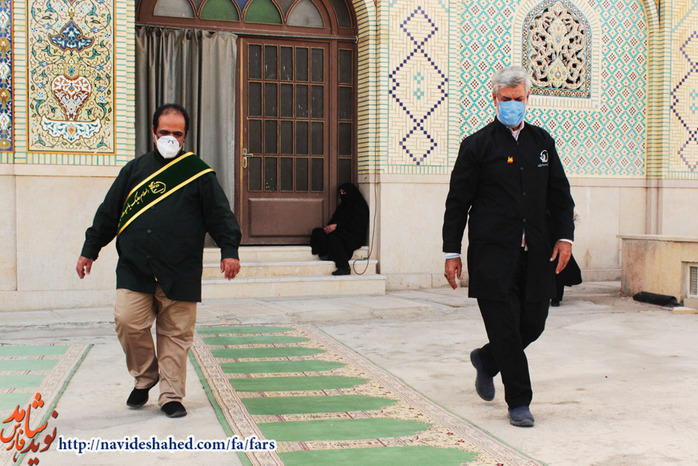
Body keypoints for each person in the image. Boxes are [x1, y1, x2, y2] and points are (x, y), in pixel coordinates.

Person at [76, 104, 241, 418]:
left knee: (176, 335)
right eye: (164, 132)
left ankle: (171, 396)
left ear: (185, 136)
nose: (170, 138)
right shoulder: (133, 170)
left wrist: (229, 250)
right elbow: (109, 213)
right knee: (127, 322)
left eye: (177, 134)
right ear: (153, 133)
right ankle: (146, 376)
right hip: (135, 267)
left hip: (180, 269)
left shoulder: (198, 173)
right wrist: (90, 250)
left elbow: (220, 214)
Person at [442, 66, 575, 427]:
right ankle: (519, 402)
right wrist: (451, 252)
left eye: (518, 99)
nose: (512, 105)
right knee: (504, 329)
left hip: (536, 253)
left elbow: (560, 195)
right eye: (506, 99)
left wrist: (565, 237)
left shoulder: (542, 142)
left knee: (533, 324)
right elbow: (458, 202)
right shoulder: (477, 145)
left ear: (528, 98)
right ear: (495, 99)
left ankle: (487, 360)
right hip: (492, 256)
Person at [311, 183, 369, 276]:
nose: (342, 195)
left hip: (353, 235)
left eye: (344, 192)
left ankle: (344, 267)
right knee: (317, 232)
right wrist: (328, 228)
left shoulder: (360, 207)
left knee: (334, 237)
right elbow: (335, 219)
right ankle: (327, 254)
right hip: (340, 231)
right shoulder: (343, 206)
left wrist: (337, 227)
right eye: (341, 193)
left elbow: (356, 225)